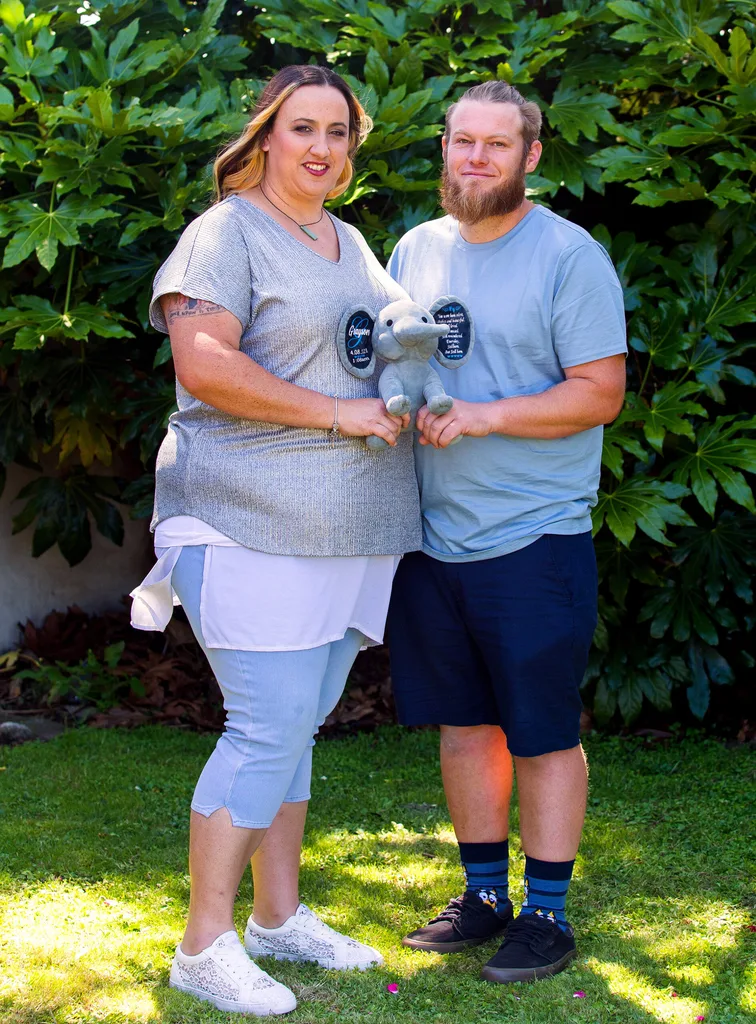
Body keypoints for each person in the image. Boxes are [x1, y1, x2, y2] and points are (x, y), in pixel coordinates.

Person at [130, 65, 420, 1017]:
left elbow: (388, 340)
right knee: (264, 726)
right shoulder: (226, 232)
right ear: (264, 136)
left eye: (338, 133)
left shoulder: (348, 240)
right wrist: (340, 416)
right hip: (243, 516)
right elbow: (204, 363)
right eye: (303, 129)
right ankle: (203, 946)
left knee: (295, 728)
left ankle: (278, 917)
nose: (321, 149)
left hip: (346, 527)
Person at [385, 81, 627, 983]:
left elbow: (599, 392)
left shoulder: (569, 256)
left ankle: (549, 916)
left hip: (534, 536)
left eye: (498, 144)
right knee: (463, 725)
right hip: (434, 536)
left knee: (543, 733)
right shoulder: (416, 248)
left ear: (531, 156)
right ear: (442, 149)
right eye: (462, 141)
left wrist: (483, 417)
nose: (476, 158)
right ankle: (486, 896)